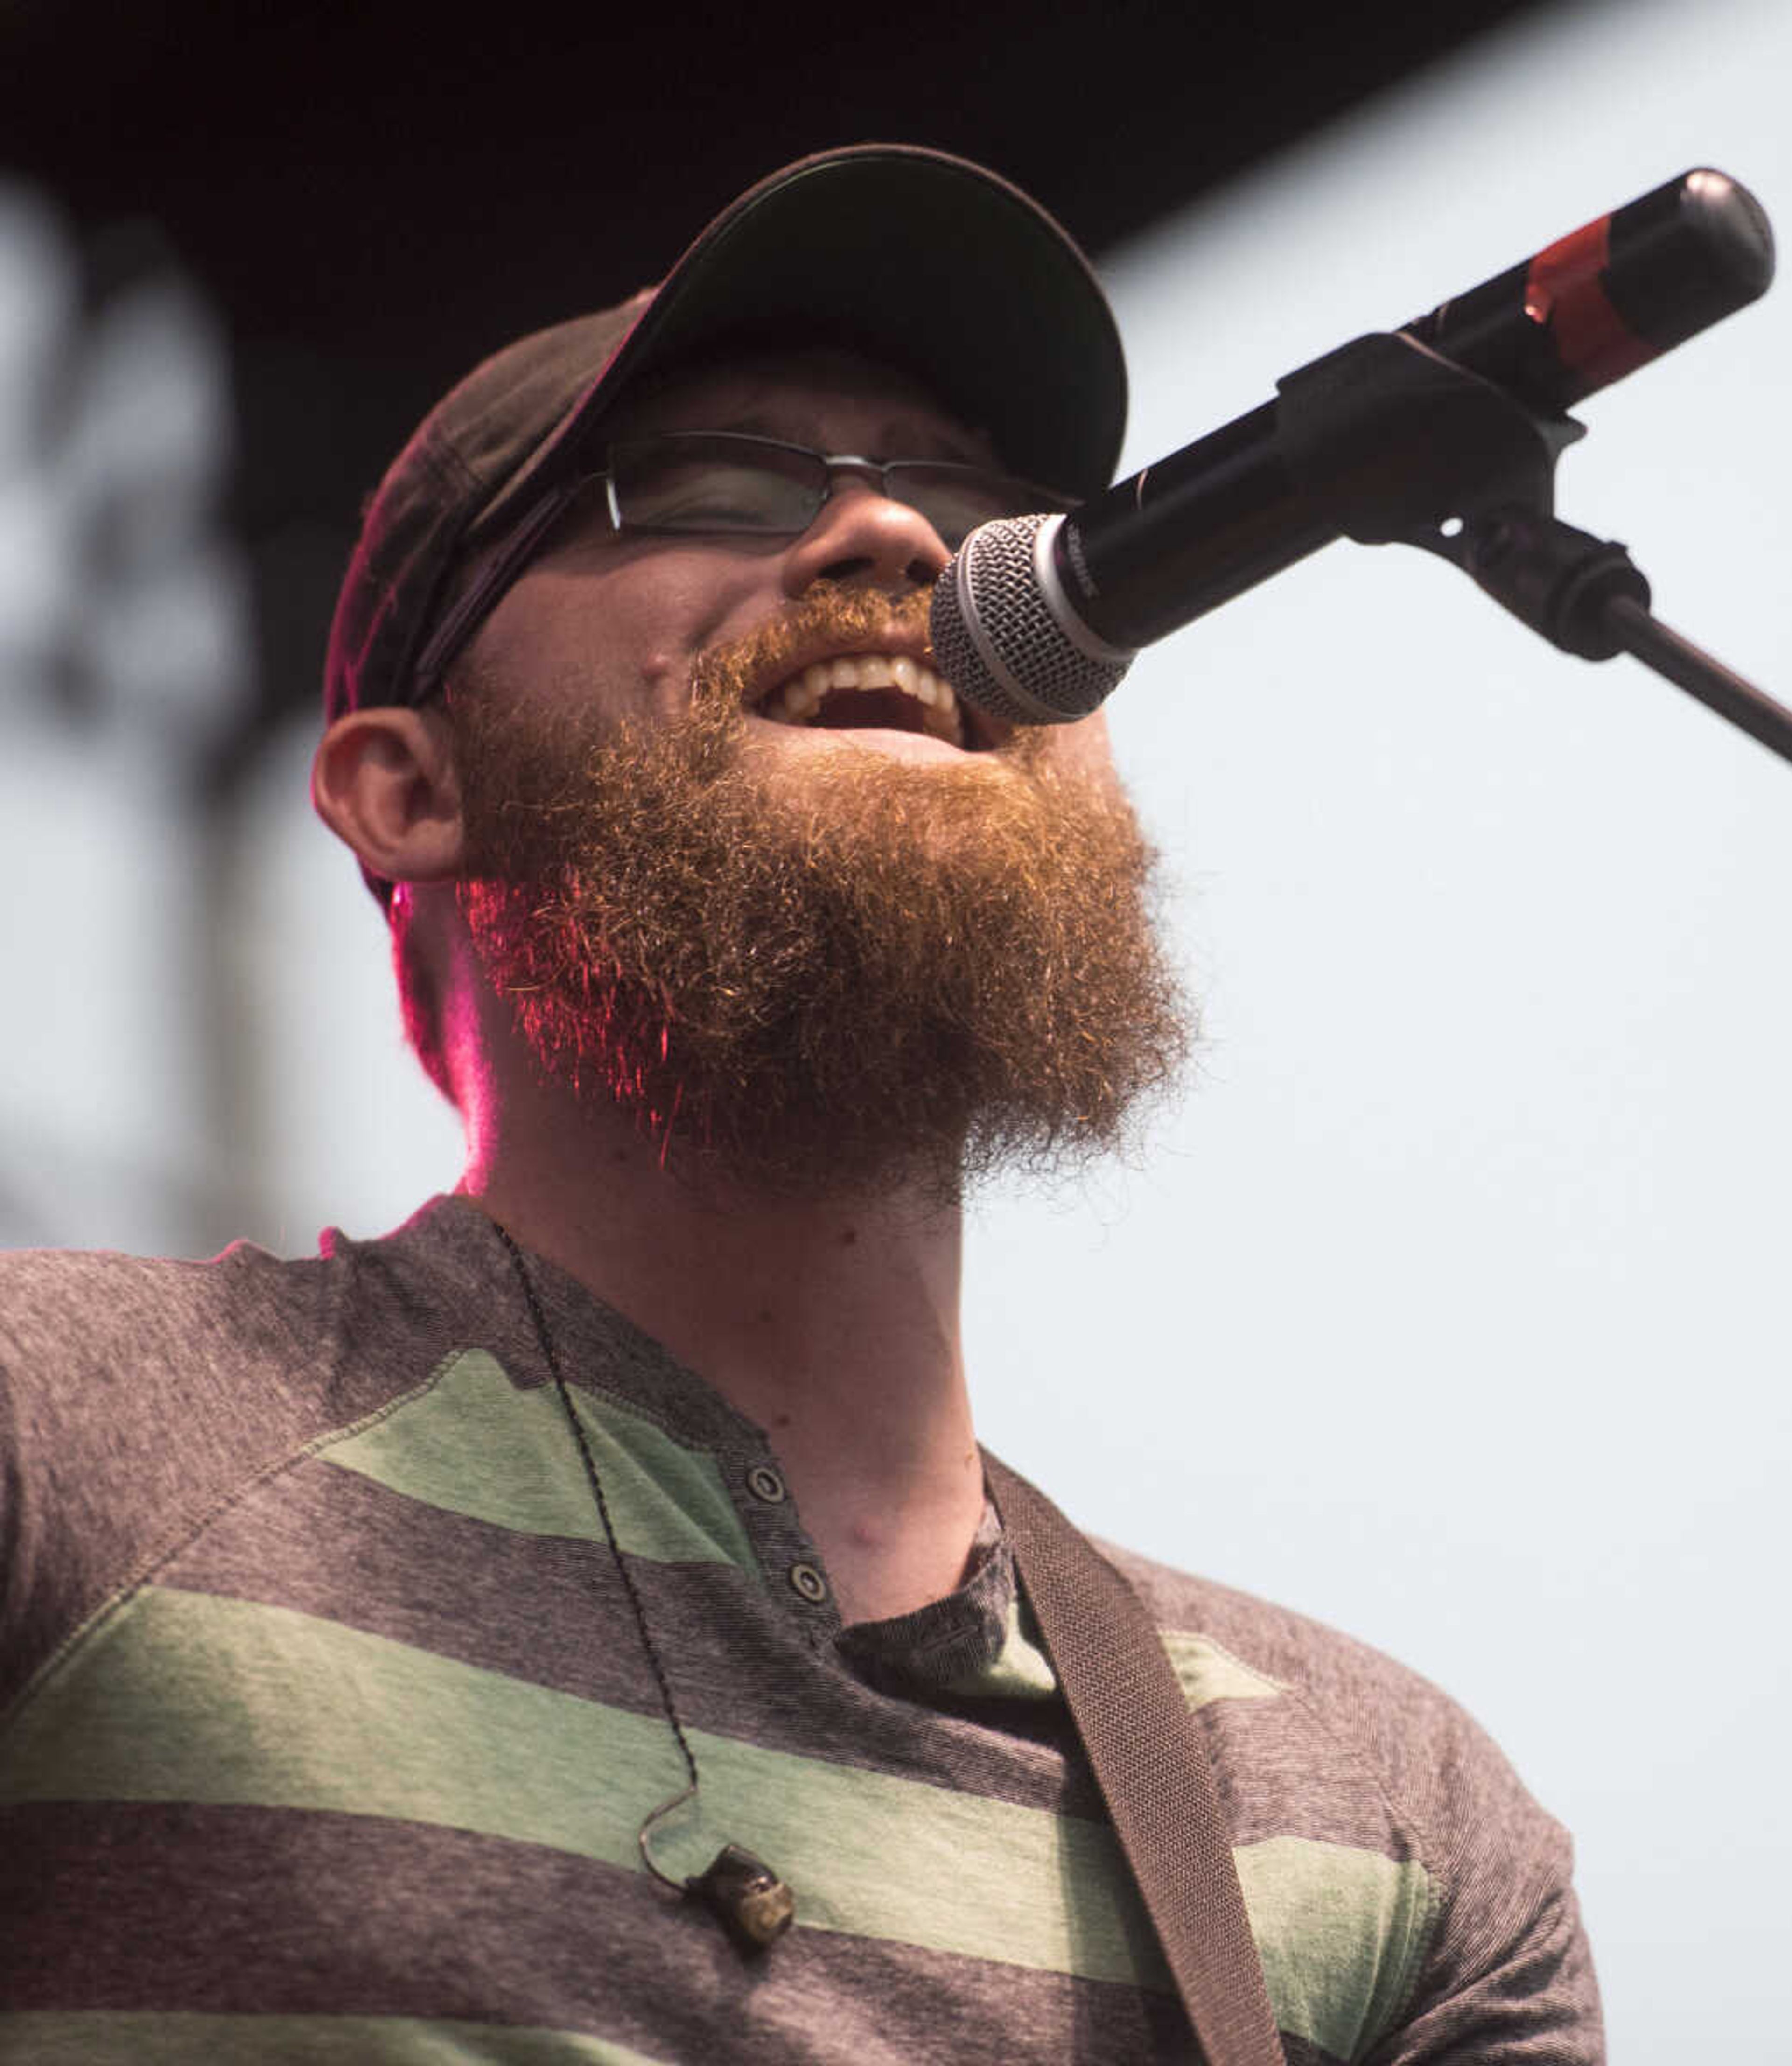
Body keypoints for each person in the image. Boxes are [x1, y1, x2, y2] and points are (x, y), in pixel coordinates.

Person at [0, 146, 1602, 2062]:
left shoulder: (1392, 1832)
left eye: (979, 498)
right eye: (712, 484)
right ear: (409, 789)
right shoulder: (66, 1446)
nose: (902, 543)